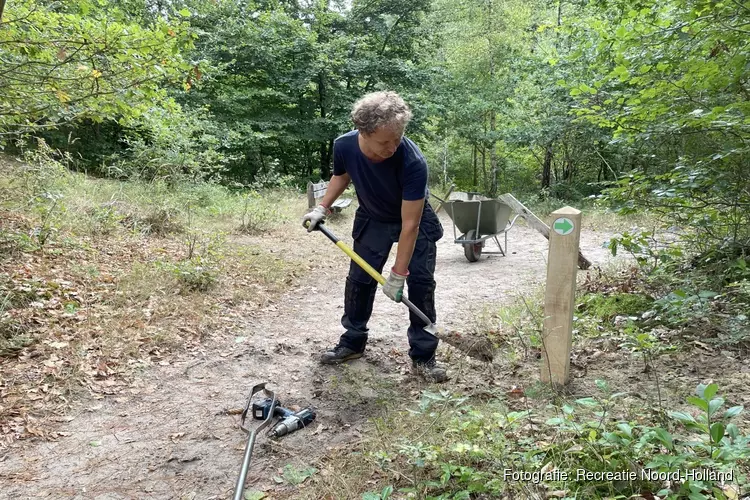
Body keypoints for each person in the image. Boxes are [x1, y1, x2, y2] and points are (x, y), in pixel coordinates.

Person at [301, 91, 447, 383]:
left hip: (412, 220)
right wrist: (322, 207)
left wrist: (398, 273)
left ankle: (424, 356)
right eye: (385, 141)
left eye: (398, 138)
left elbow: (410, 225)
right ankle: (352, 342)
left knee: (420, 284)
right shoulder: (344, 145)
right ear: (363, 132)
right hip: (372, 217)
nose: (393, 147)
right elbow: (341, 176)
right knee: (359, 280)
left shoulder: (412, 161)